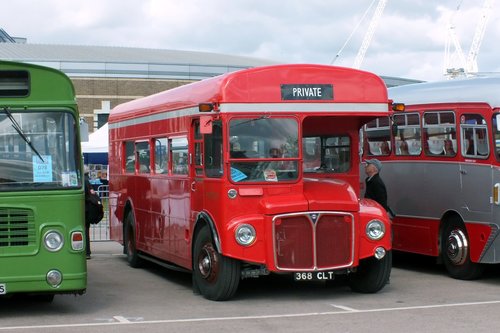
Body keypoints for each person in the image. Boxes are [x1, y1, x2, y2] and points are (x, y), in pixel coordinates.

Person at [84, 168, 93, 259]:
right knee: (86, 230)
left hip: (84, 209)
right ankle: (87, 252)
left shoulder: (83, 181)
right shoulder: (87, 181)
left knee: (85, 230)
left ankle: (87, 251)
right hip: (87, 209)